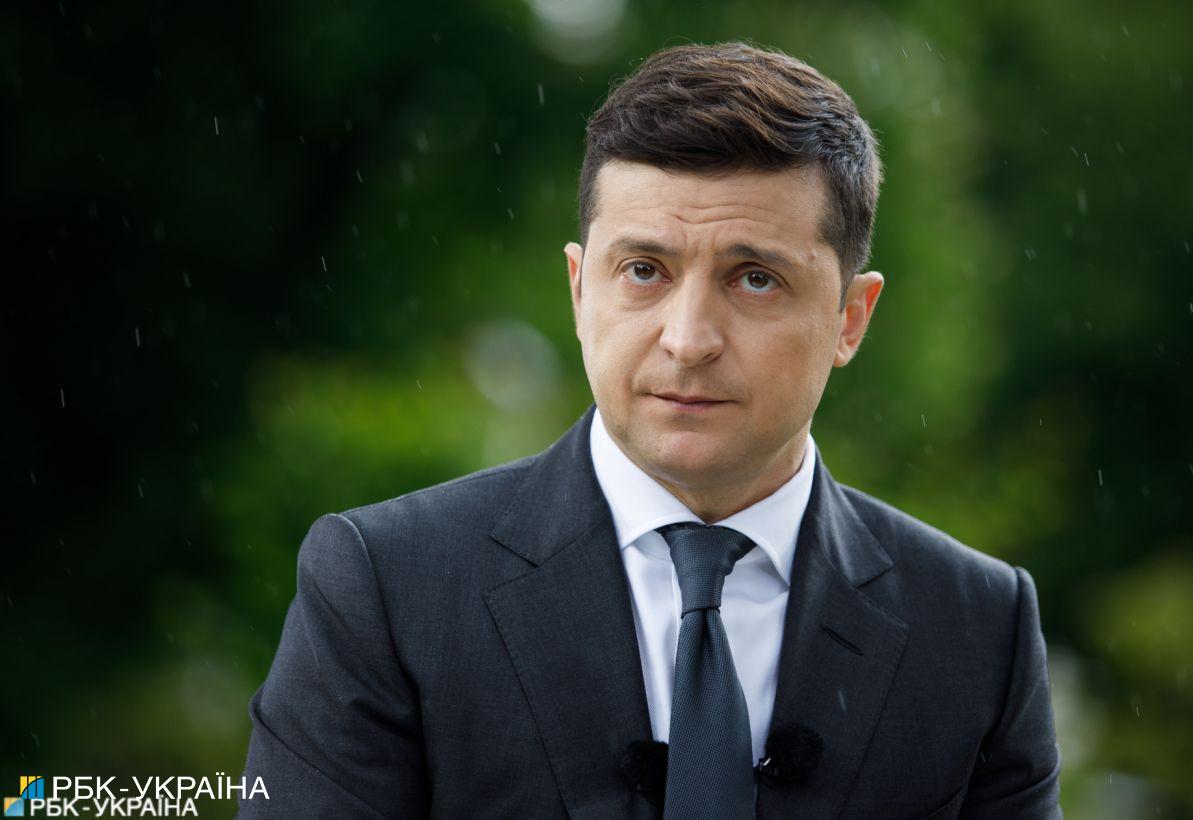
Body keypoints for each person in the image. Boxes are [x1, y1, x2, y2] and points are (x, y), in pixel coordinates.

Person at [238, 41, 1062, 819]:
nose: (688, 339)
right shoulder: (386, 589)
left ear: (850, 318)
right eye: (643, 271)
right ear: (579, 291)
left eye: (755, 279)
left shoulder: (979, 630)